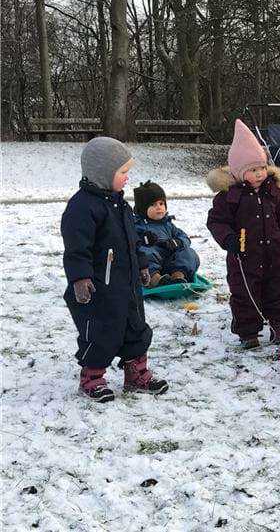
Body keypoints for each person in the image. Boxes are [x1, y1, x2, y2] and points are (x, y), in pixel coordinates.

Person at [61, 137, 169, 402]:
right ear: (102, 173)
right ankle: (92, 377)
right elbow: (76, 249)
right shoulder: (82, 208)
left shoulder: (120, 204)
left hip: (127, 284)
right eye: (122, 172)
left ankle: (136, 374)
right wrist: (80, 278)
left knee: (135, 328)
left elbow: (131, 240)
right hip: (99, 288)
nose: (127, 178)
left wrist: (142, 265)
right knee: (101, 332)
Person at [206, 119, 280, 349]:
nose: (260, 173)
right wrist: (228, 239)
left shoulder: (272, 191)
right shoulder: (229, 196)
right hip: (244, 255)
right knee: (244, 293)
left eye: (262, 167)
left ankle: (279, 324)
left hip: (274, 253)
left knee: (278, 288)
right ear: (240, 172)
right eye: (253, 170)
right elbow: (216, 221)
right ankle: (248, 331)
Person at [133, 180, 200, 287]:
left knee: (189, 252)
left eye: (161, 203)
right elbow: (130, 241)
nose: (159, 207)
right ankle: (155, 279)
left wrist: (177, 242)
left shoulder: (168, 224)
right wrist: (142, 239)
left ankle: (178, 275)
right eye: (153, 205)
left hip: (170, 263)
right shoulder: (137, 225)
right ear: (143, 209)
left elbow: (185, 238)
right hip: (150, 265)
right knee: (144, 253)